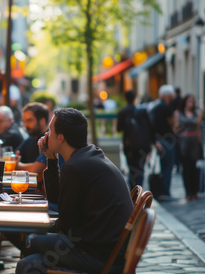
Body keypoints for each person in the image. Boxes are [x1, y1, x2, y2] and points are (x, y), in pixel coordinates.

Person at [16, 108, 133, 274]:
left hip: (98, 256)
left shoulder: (74, 167)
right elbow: (57, 199)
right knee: (29, 257)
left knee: (30, 240)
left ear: (61, 138)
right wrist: (50, 159)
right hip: (102, 247)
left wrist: (45, 228)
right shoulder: (88, 155)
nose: (46, 134)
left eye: (50, 130)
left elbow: (65, 225)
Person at [117, 90, 153, 188]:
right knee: (140, 168)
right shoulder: (142, 111)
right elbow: (150, 127)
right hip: (142, 144)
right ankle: (139, 191)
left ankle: (133, 192)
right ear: (134, 97)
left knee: (132, 169)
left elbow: (118, 128)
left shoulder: (123, 111)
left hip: (129, 145)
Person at [150, 84, 177, 201]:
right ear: (167, 95)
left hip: (159, 140)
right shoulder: (166, 108)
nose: (173, 97)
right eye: (171, 95)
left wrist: (155, 141)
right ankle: (165, 192)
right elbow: (173, 124)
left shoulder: (155, 107)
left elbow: (151, 125)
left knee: (163, 166)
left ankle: (161, 192)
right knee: (168, 166)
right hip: (166, 140)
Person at [174, 95, 204, 201]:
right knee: (185, 168)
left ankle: (195, 191)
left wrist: (200, 145)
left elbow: (198, 129)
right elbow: (175, 128)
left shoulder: (197, 113)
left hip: (194, 142)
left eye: (192, 101)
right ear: (185, 102)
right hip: (183, 143)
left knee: (194, 168)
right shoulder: (178, 113)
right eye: (189, 100)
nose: (190, 102)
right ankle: (188, 192)